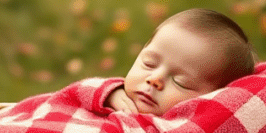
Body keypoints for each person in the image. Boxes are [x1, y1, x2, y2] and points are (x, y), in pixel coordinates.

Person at [105, 8, 257, 116]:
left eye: (180, 82)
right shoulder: (114, 95)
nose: (154, 79)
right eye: (149, 63)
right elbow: (81, 91)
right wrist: (109, 95)